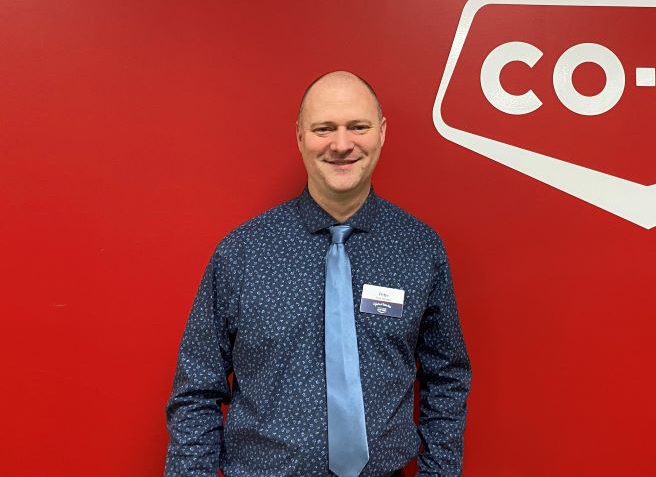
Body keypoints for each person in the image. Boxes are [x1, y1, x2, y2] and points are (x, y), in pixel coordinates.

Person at [165, 71, 471, 477]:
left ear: (381, 132)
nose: (341, 144)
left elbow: (446, 376)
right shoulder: (242, 252)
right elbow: (196, 391)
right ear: (300, 137)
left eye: (357, 127)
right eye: (324, 128)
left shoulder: (418, 248)